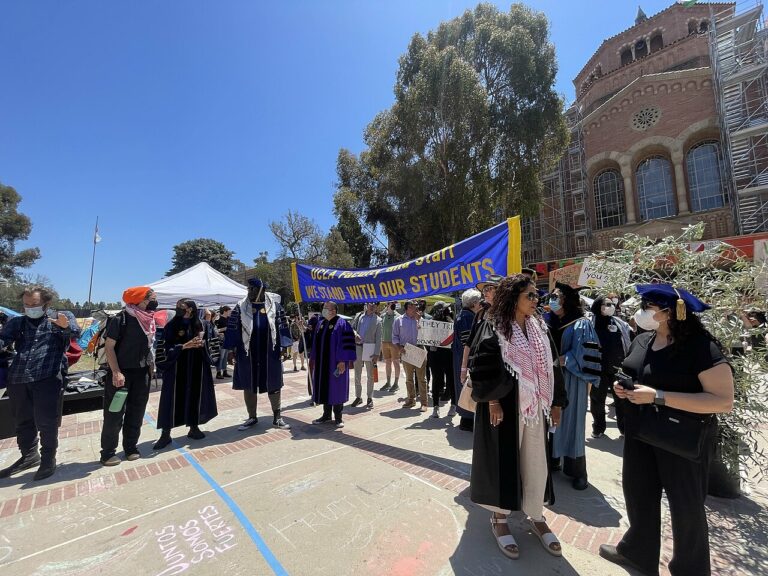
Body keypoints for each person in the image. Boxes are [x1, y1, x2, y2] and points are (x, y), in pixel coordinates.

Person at [600, 284, 734, 576]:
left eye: (648, 305)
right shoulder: (643, 340)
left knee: (686, 508)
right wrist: (622, 389)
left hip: (681, 438)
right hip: (641, 432)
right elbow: (636, 373)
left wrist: (658, 396)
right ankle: (637, 553)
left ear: (671, 312)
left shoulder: (701, 347)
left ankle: (690, 569)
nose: (642, 310)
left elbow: (723, 401)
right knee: (639, 495)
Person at [470, 274, 566, 560]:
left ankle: (535, 514)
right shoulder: (494, 325)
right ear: (514, 298)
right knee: (503, 461)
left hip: (536, 406)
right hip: (505, 406)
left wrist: (557, 402)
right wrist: (493, 401)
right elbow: (481, 363)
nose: (537, 300)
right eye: (531, 296)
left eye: (537, 295)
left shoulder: (539, 326)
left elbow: (552, 364)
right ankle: (499, 519)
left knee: (536, 460)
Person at [0, 286, 71, 481]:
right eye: (26, 304)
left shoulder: (60, 318)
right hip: (19, 379)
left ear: (46, 304)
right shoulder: (17, 323)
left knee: (47, 422)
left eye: (35, 304)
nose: (30, 308)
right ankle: (29, 456)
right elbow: (3, 339)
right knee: (22, 421)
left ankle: (49, 459)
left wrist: (65, 328)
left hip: (47, 378)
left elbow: (72, 336)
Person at [544, 283, 601, 490]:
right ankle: (552, 460)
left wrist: (562, 359)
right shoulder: (545, 320)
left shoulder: (581, 324)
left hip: (571, 378)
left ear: (567, 300)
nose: (552, 298)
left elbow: (585, 354)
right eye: (552, 295)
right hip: (548, 378)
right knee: (549, 419)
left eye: (556, 296)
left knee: (572, 422)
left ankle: (577, 470)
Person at [100, 286, 158, 466]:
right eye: (151, 299)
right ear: (140, 300)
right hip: (121, 374)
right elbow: (109, 347)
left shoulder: (148, 320)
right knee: (114, 413)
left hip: (142, 373)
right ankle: (108, 452)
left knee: (137, 411)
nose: (154, 302)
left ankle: (131, 447)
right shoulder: (120, 319)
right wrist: (116, 372)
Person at [224, 278, 291, 431]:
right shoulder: (241, 307)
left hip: (270, 352)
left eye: (252, 289)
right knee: (249, 383)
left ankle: (277, 417)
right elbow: (233, 328)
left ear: (261, 290)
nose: (249, 291)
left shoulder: (275, 307)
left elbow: (282, 328)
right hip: (247, 353)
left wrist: (284, 347)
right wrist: (230, 349)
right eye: (248, 289)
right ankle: (252, 417)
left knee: (273, 382)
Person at [153, 299, 218, 450]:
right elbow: (163, 348)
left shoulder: (201, 324)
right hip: (176, 367)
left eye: (181, 307)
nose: (177, 309)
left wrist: (203, 345)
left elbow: (213, 343)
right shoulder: (171, 325)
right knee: (171, 400)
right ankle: (165, 434)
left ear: (190, 309)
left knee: (196, 395)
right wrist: (183, 346)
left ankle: (194, 427)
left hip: (197, 366)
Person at [589, 295, 632, 438]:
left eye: (611, 304)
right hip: (597, 368)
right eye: (606, 304)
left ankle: (625, 428)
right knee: (597, 400)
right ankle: (598, 427)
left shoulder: (619, 323)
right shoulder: (590, 324)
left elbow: (629, 339)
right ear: (597, 306)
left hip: (617, 369)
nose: (611, 307)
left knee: (621, 400)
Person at [310, 301, 356, 428]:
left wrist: (342, 361)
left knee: (336, 389)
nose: (323, 309)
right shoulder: (321, 323)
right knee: (324, 387)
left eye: (326, 308)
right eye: (323, 307)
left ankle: (338, 417)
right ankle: (326, 415)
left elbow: (347, 344)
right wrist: (313, 357)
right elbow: (316, 342)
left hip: (335, 364)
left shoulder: (342, 324)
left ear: (334, 311)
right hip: (322, 364)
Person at [453, 288, 482, 431]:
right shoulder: (467, 317)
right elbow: (467, 342)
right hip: (465, 360)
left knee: (464, 387)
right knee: (467, 388)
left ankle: (466, 418)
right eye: (479, 302)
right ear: (474, 303)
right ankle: (467, 419)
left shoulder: (462, 315)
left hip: (459, 358)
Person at [392, 301, 428, 411]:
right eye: (414, 306)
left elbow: (426, 333)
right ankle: (411, 400)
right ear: (408, 308)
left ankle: (424, 403)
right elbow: (394, 336)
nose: (417, 308)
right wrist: (399, 348)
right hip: (406, 350)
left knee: (421, 378)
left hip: (419, 348)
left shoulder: (421, 319)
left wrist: (419, 320)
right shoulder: (399, 320)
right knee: (409, 378)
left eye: (417, 306)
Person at [351, 302, 382, 409]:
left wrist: (377, 353)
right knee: (357, 374)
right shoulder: (358, 316)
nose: (372, 305)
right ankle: (358, 397)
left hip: (370, 349)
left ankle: (370, 398)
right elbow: (352, 328)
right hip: (358, 347)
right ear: (366, 304)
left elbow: (379, 339)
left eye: (374, 304)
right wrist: (355, 335)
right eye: (370, 303)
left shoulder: (378, 320)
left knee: (370, 375)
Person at [428, 301, 455, 418]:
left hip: (448, 355)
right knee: (436, 380)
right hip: (436, 356)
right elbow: (426, 339)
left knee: (450, 380)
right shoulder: (430, 323)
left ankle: (453, 405)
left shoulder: (450, 321)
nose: (447, 310)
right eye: (445, 309)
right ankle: (435, 406)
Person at [380, 302, 401, 392]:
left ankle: (396, 383)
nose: (391, 305)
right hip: (384, 342)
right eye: (389, 303)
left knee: (396, 362)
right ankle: (388, 382)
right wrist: (385, 310)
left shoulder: (398, 316)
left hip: (394, 343)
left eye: (393, 304)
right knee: (387, 362)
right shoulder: (383, 316)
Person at [215, 306, 232, 379]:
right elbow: (215, 330)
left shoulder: (229, 319)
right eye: (229, 311)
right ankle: (218, 373)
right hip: (221, 341)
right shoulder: (219, 320)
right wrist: (224, 329)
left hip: (227, 340)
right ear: (225, 311)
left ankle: (224, 371)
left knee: (225, 357)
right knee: (221, 357)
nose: (230, 313)